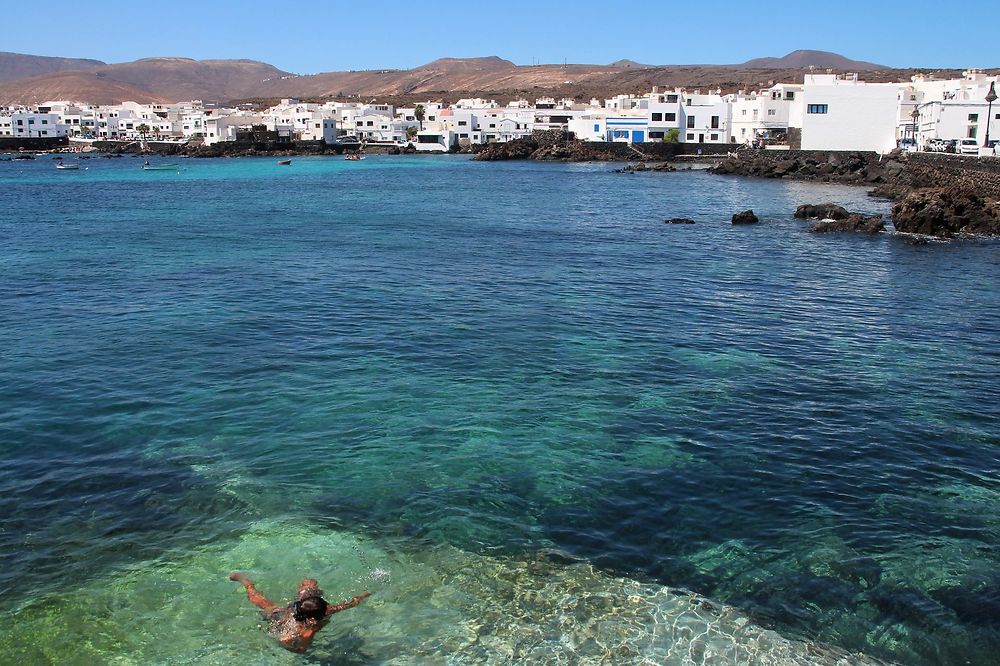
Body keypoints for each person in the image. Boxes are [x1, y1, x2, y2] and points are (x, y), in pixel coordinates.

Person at [229, 572, 371, 653]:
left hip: (282, 613)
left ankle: (246, 582)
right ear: (319, 616)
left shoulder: (302, 607)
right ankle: (246, 582)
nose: (328, 604)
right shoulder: (309, 629)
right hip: (279, 623)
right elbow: (301, 650)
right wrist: (286, 644)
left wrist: (363, 596)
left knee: (258, 599)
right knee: (261, 603)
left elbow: (348, 604)